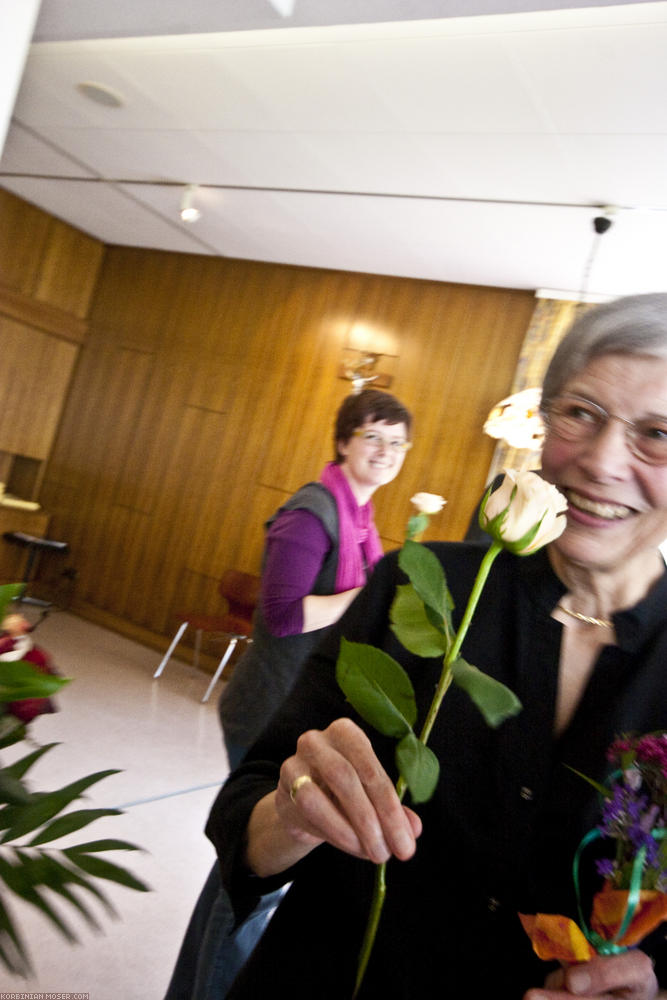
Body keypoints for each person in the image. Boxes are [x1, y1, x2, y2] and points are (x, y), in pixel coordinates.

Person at [206, 293, 667, 999]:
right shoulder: (420, 588)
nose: (602, 462)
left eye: (657, 433)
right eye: (580, 412)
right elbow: (248, 807)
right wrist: (292, 814)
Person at [165, 388, 413, 1000]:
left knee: (246, 865)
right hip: (270, 705)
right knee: (259, 871)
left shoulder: (360, 516)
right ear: (342, 442)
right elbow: (280, 615)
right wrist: (372, 595)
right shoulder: (312, 510)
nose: (385, 451)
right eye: (373, 437)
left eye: (397, 442)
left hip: (299, 706)